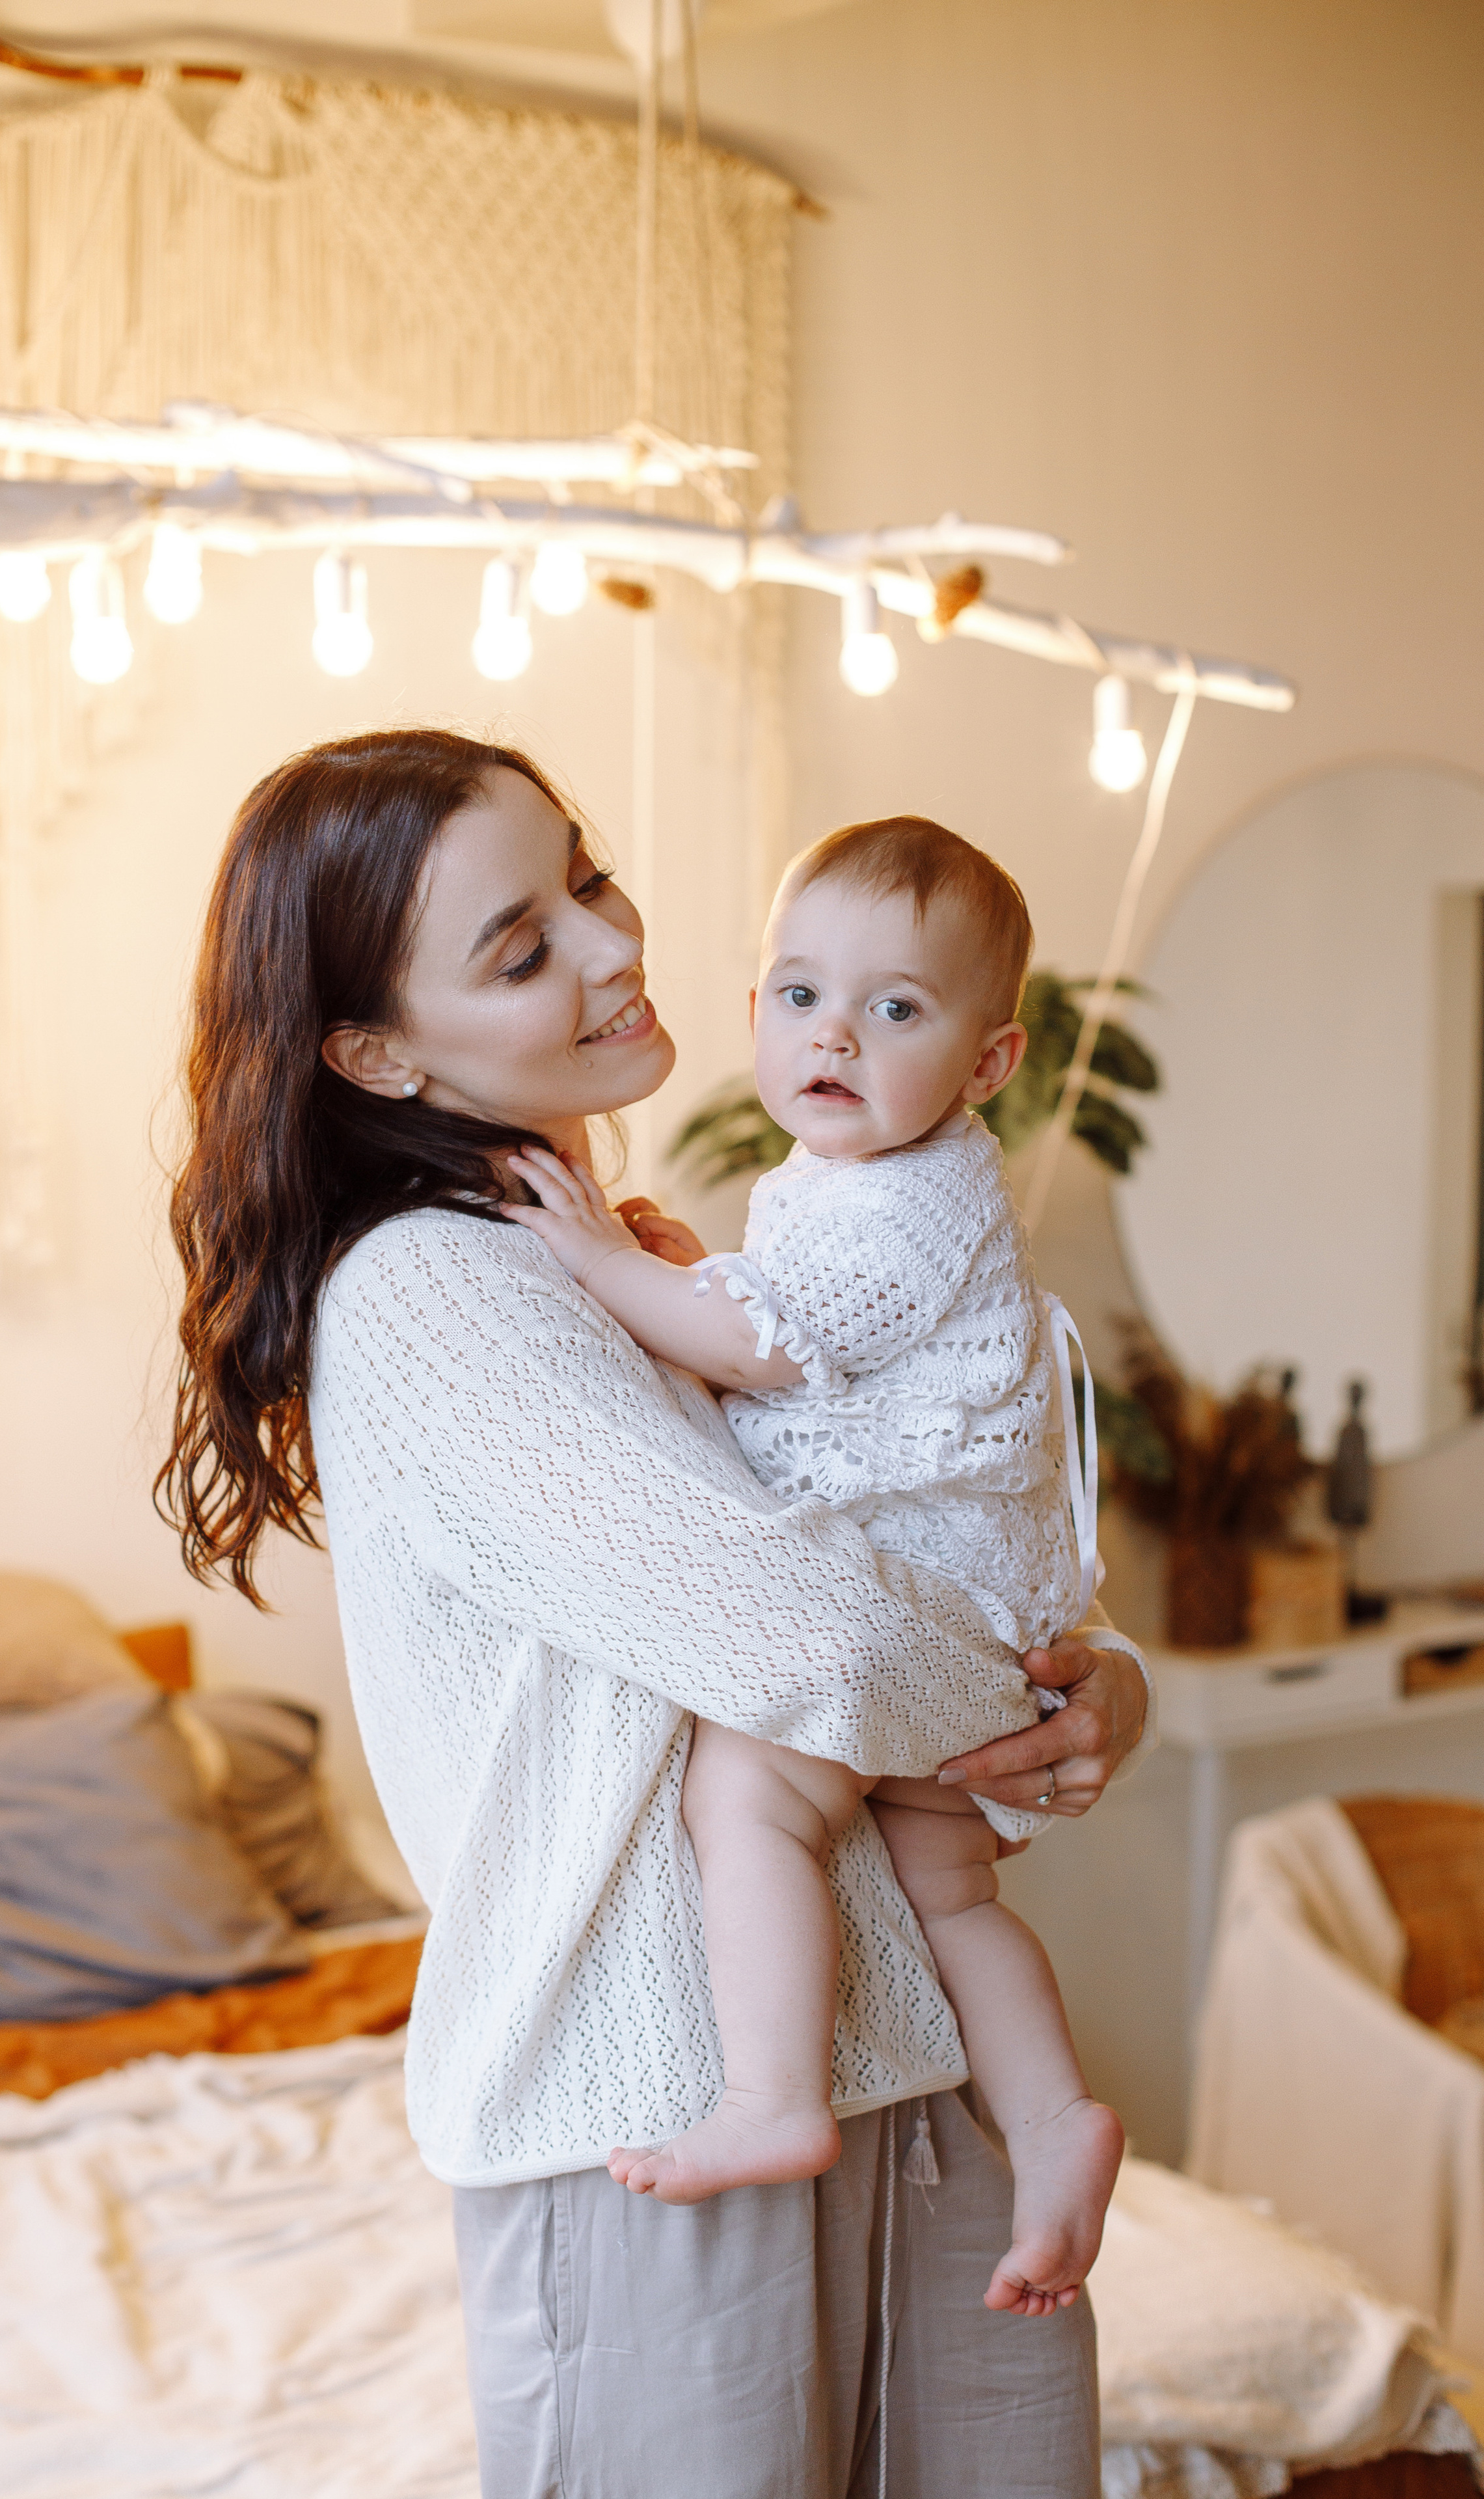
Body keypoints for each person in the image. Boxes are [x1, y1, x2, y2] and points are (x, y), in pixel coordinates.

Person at [157, 729, 1155, 2499]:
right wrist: (1028, 1701)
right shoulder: (435, 1293)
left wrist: (1103, 1684)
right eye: (523, 945)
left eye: (589, 881)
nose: (617, 946)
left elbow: (902, 1543)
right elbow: (820, 1646)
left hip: (903, 2064)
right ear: (378, 1051)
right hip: (651, 2105)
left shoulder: (653, 1256)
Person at [502, 815, 1122, 2319]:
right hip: (967, 1597)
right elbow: (781, 1312)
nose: (829, 1034)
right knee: (947, 1885)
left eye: (892, 1009)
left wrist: (599, 1263)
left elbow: (769, 1352)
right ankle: (1053, 2121)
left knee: (747, 1796)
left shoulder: (914, 1194)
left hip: (914, 1586)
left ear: (986, 1065)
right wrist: (682, 1263)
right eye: (796, 994)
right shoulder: (865, 1175)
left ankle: (769, 2092)